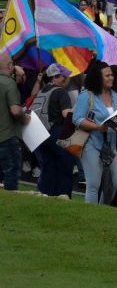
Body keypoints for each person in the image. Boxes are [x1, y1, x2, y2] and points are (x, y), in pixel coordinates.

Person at [72, 62, 117, 204]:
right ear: (98, 78)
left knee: (115, 183)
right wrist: (98, 127)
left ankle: (102, 210)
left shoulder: (114, 95)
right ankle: (90, 213)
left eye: (112, 75)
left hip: (110, 146)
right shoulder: (87, 95)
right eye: (107, 75)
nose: (111, 78)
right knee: (93, 185)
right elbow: (77, 119)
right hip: (91, 144)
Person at [33, 64, 75, 197]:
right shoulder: (61, 92)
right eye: (64, 77)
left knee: (48, 168)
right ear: (55, 77)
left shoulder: (42, 91)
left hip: (40, 134)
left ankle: (45, 195)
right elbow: (66, 114)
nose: (66, 80)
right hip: (57, 132)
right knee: (65, 167)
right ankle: (63, 196)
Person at [0, 53, 27, 191]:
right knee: (11, 171)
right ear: (10, 66)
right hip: (7, 135)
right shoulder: (9, 83)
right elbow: (15, 111)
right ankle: (10, 198)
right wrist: (25, 117)